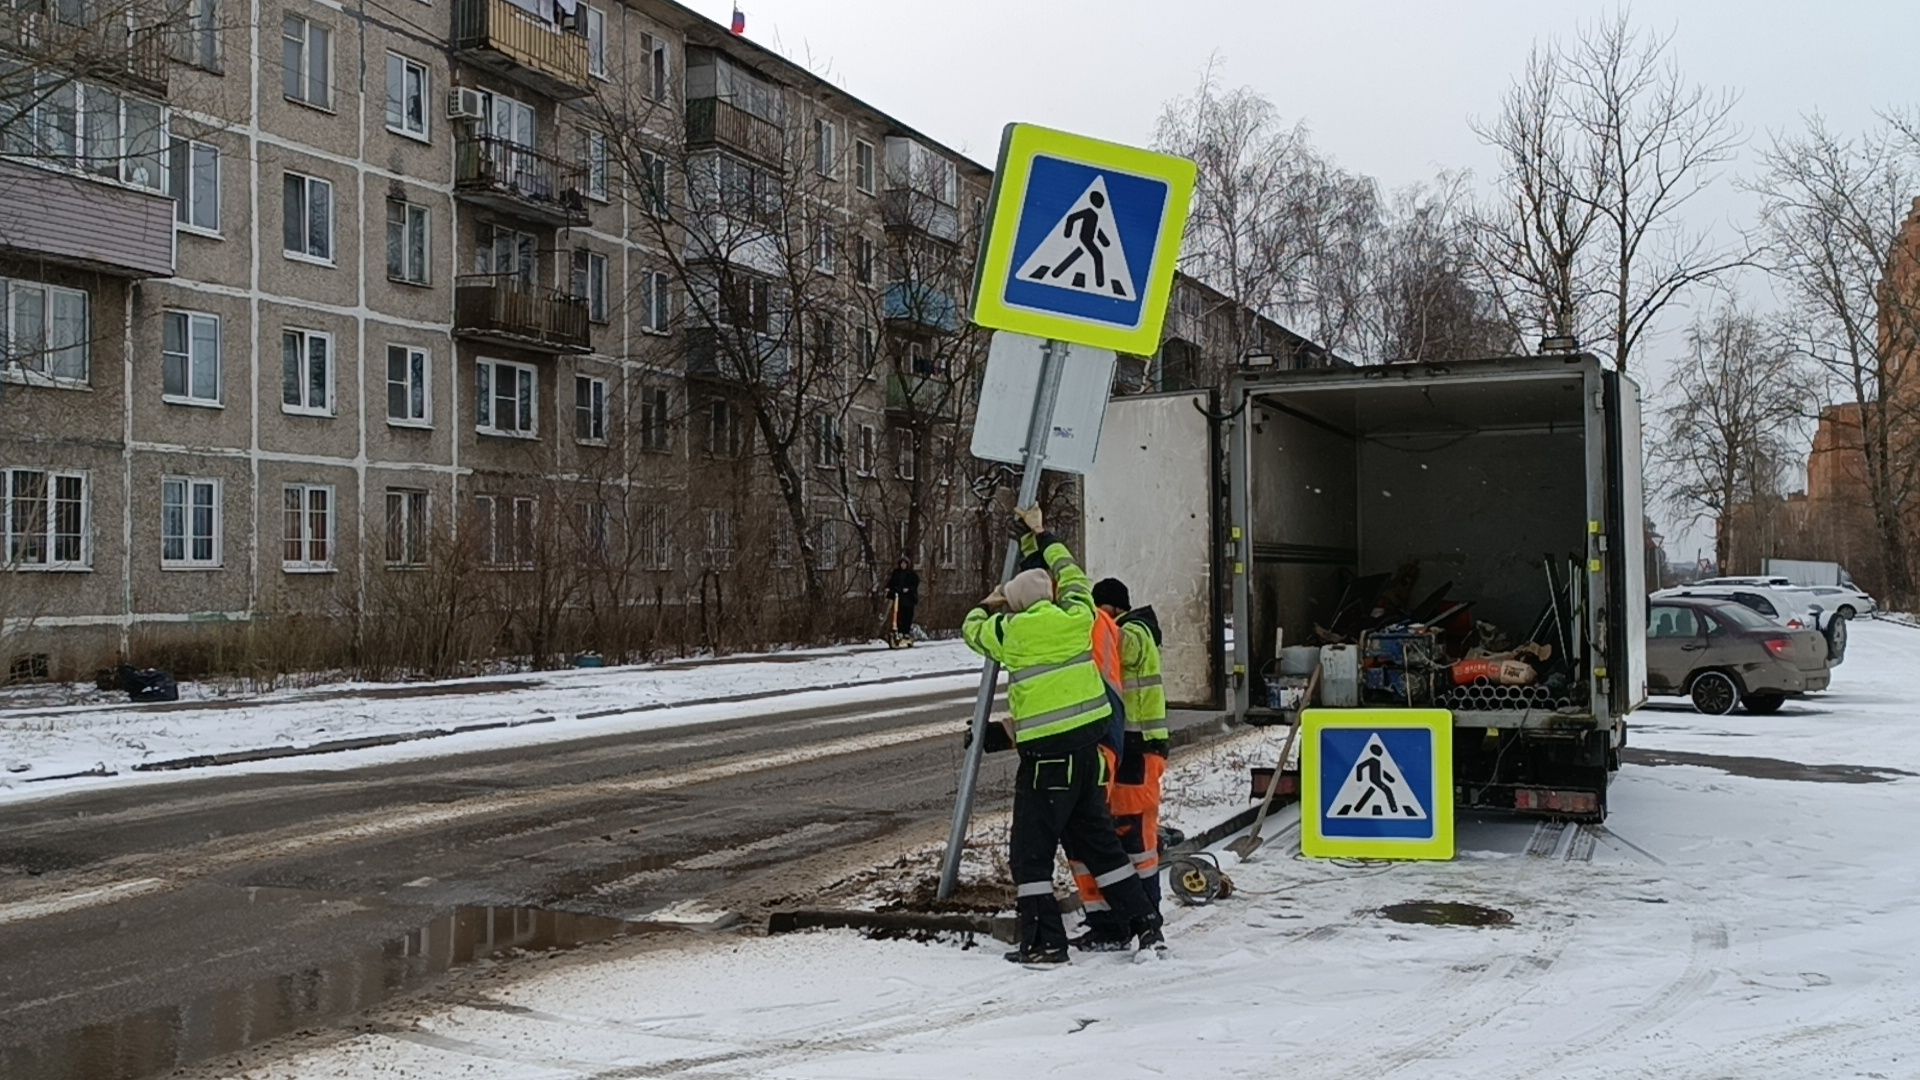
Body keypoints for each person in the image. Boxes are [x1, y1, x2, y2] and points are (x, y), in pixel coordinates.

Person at [962, 506, 1162, 965]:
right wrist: (1041, 536)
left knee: (1030, 858)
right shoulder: (1077, 615)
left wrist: (992, 602)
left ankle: (1046, 942)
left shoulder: (1011, 631)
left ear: (1018, 604)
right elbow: (1071, 572)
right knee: (1101, 848)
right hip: (1090, 757)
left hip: (1047, 764)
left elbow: (970, 628)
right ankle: (1147, 926)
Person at [1071, 577, 1169, 950]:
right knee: (1103, 835)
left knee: (1137, 841)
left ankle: (1146, 919)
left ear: (1110, 609)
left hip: (1139, 750)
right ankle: (1109, 923)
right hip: (1121, 749)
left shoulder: (1138, 630)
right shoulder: (1120, 630)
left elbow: (1120, 646)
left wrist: (1085, 617)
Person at [885, 557, 919, 645]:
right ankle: (899, 631)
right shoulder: (896, 573)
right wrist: (888, 588)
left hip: (908, 599)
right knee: (898, 615)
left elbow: (915, 584)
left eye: (905, 564)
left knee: (907, 616)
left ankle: (906, 632)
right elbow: (891, 582)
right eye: (902, 564)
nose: (903, 565)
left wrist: (908, 589)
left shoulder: (911, 574)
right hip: (898, 597)